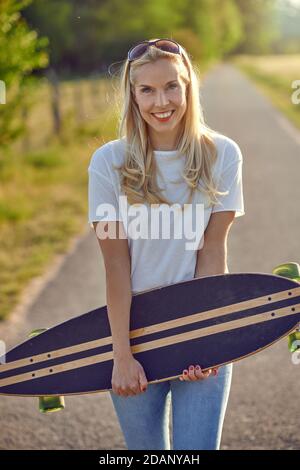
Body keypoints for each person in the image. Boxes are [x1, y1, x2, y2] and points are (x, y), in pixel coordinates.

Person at [88, 38, 245, 450]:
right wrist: (122, 356)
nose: (162, 101)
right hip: (134, 335)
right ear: (132, 94)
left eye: (172, 86)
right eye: (147, 90)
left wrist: (205, 338)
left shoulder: (222, 154)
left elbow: (213, 252)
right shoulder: (108, 163)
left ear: (189, 86)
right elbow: (116, 266)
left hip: (200, 326)